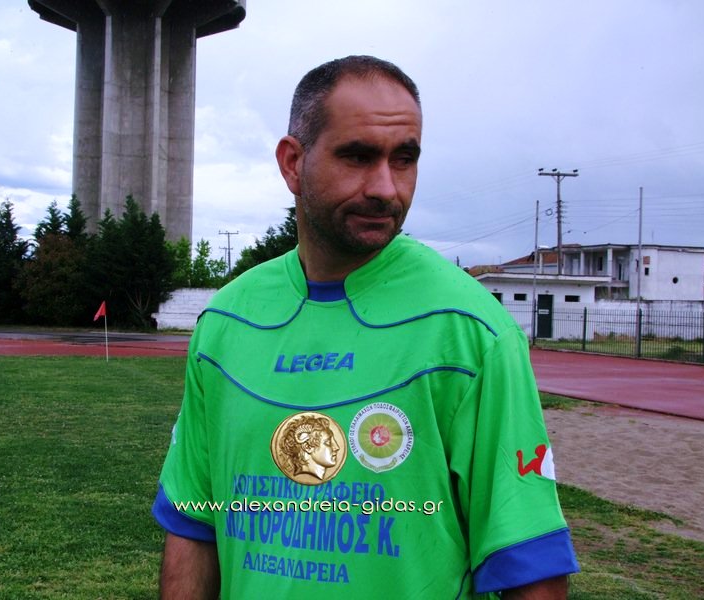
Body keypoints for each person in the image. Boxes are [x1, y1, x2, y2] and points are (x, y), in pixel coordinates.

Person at [152, 55, 579, 599]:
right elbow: (194, 524)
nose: (385, 187)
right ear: (292, 163)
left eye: (404, 159)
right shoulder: (226, 322)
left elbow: (530, 564)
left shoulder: (471, 331)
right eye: (357, 156)